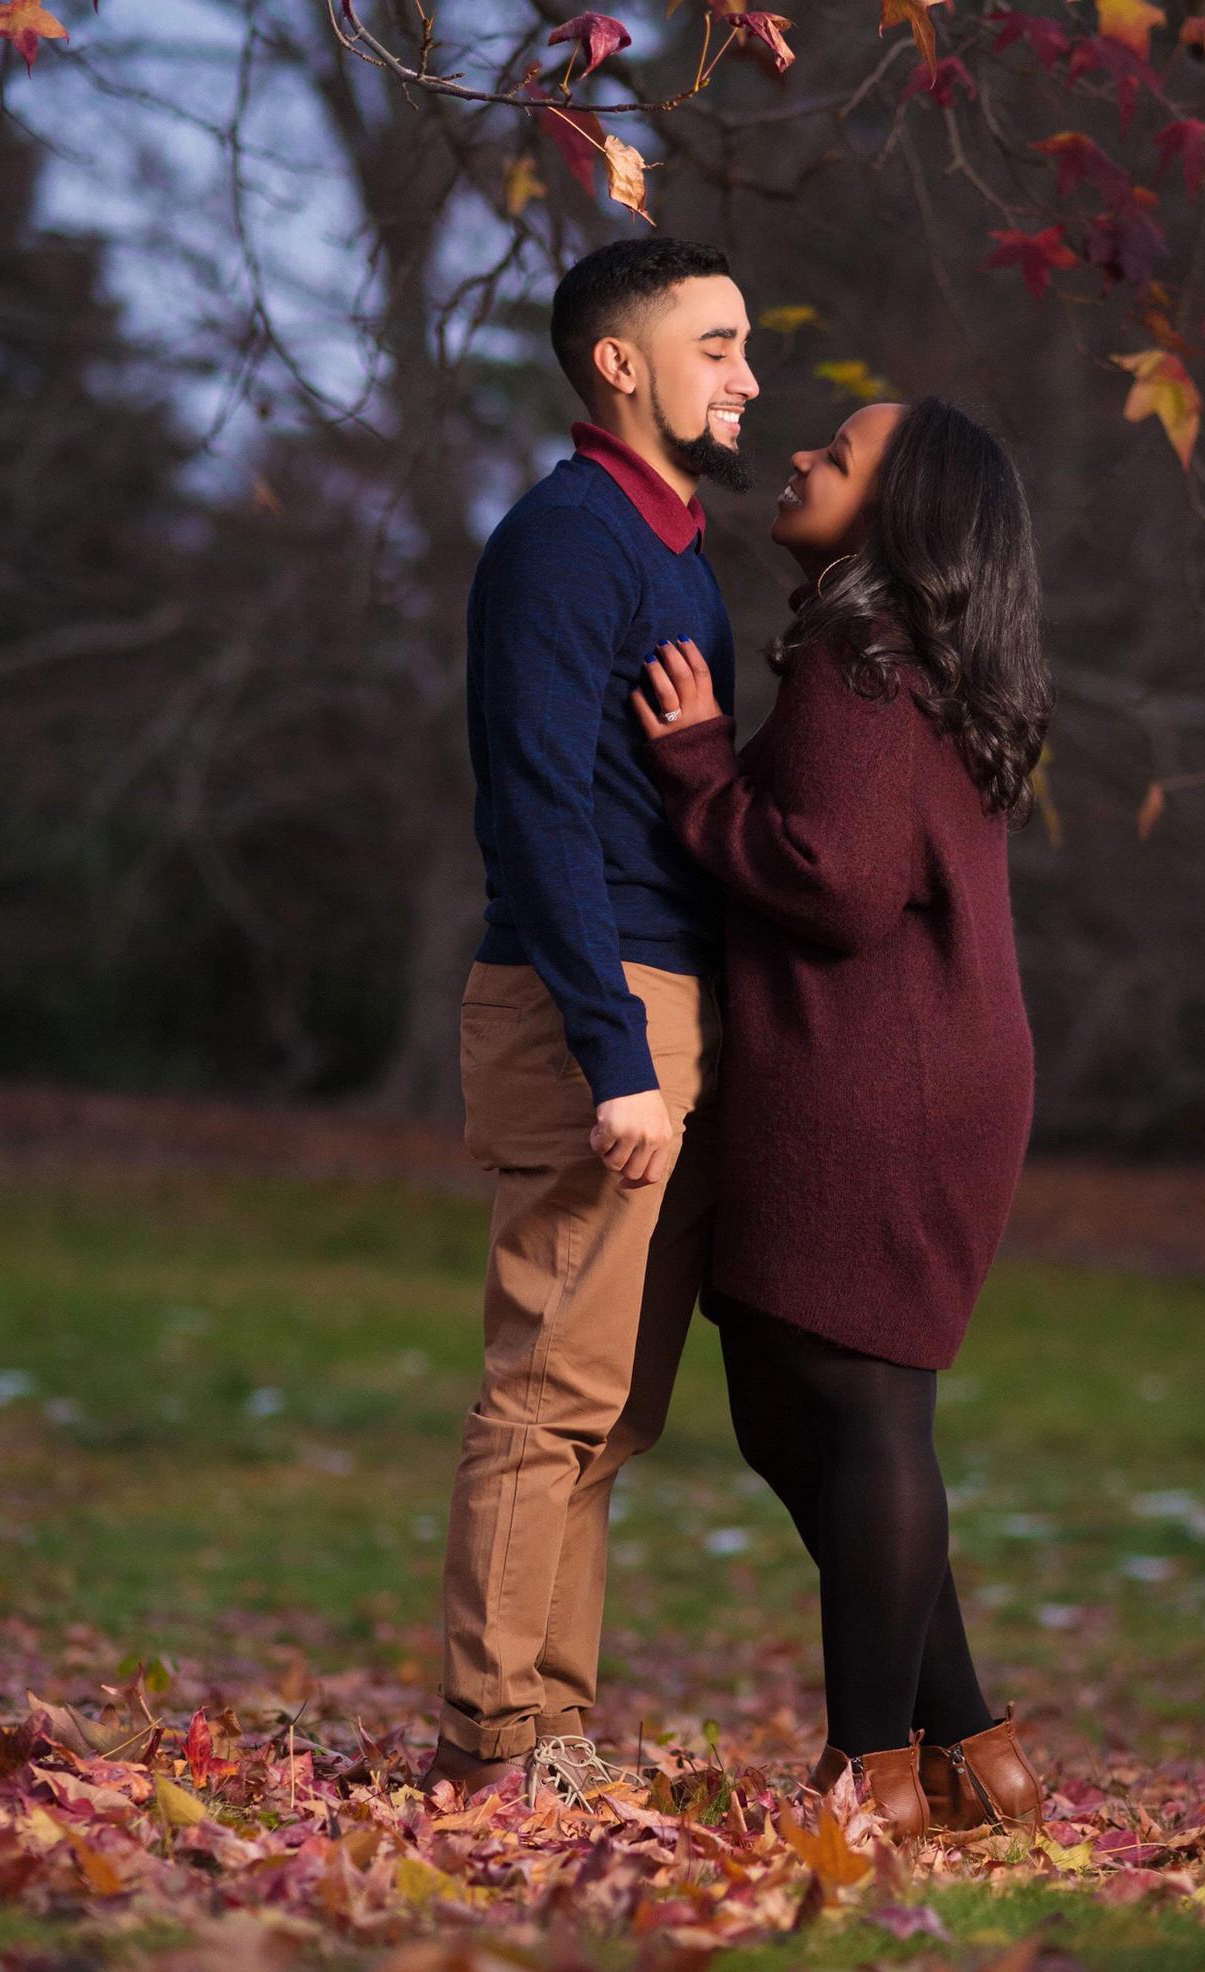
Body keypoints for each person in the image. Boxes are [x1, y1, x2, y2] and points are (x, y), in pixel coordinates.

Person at [631, 395, 1054, 1843]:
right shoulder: (907, 656)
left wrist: (696, 764)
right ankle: (973, 1747)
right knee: (792, 1410)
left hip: (884, 1076)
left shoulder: (856, 655)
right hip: (900, 1062)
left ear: (899, 510)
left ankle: (870, 1773)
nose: (804, 454)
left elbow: (838, 882)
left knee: (859, 1410)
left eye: (842, 452)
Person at [421, 237, 760, 1803]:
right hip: (598, 1005)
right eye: (716, 345)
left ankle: (551, 1727)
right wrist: (614, 1051)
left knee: (609, 1413)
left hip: (670, 1003)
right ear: (621, 364)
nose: (746, 377)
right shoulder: (568, 539)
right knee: (550, 1390)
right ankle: (497, 1743)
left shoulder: (670, 545)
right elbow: (538, 805)